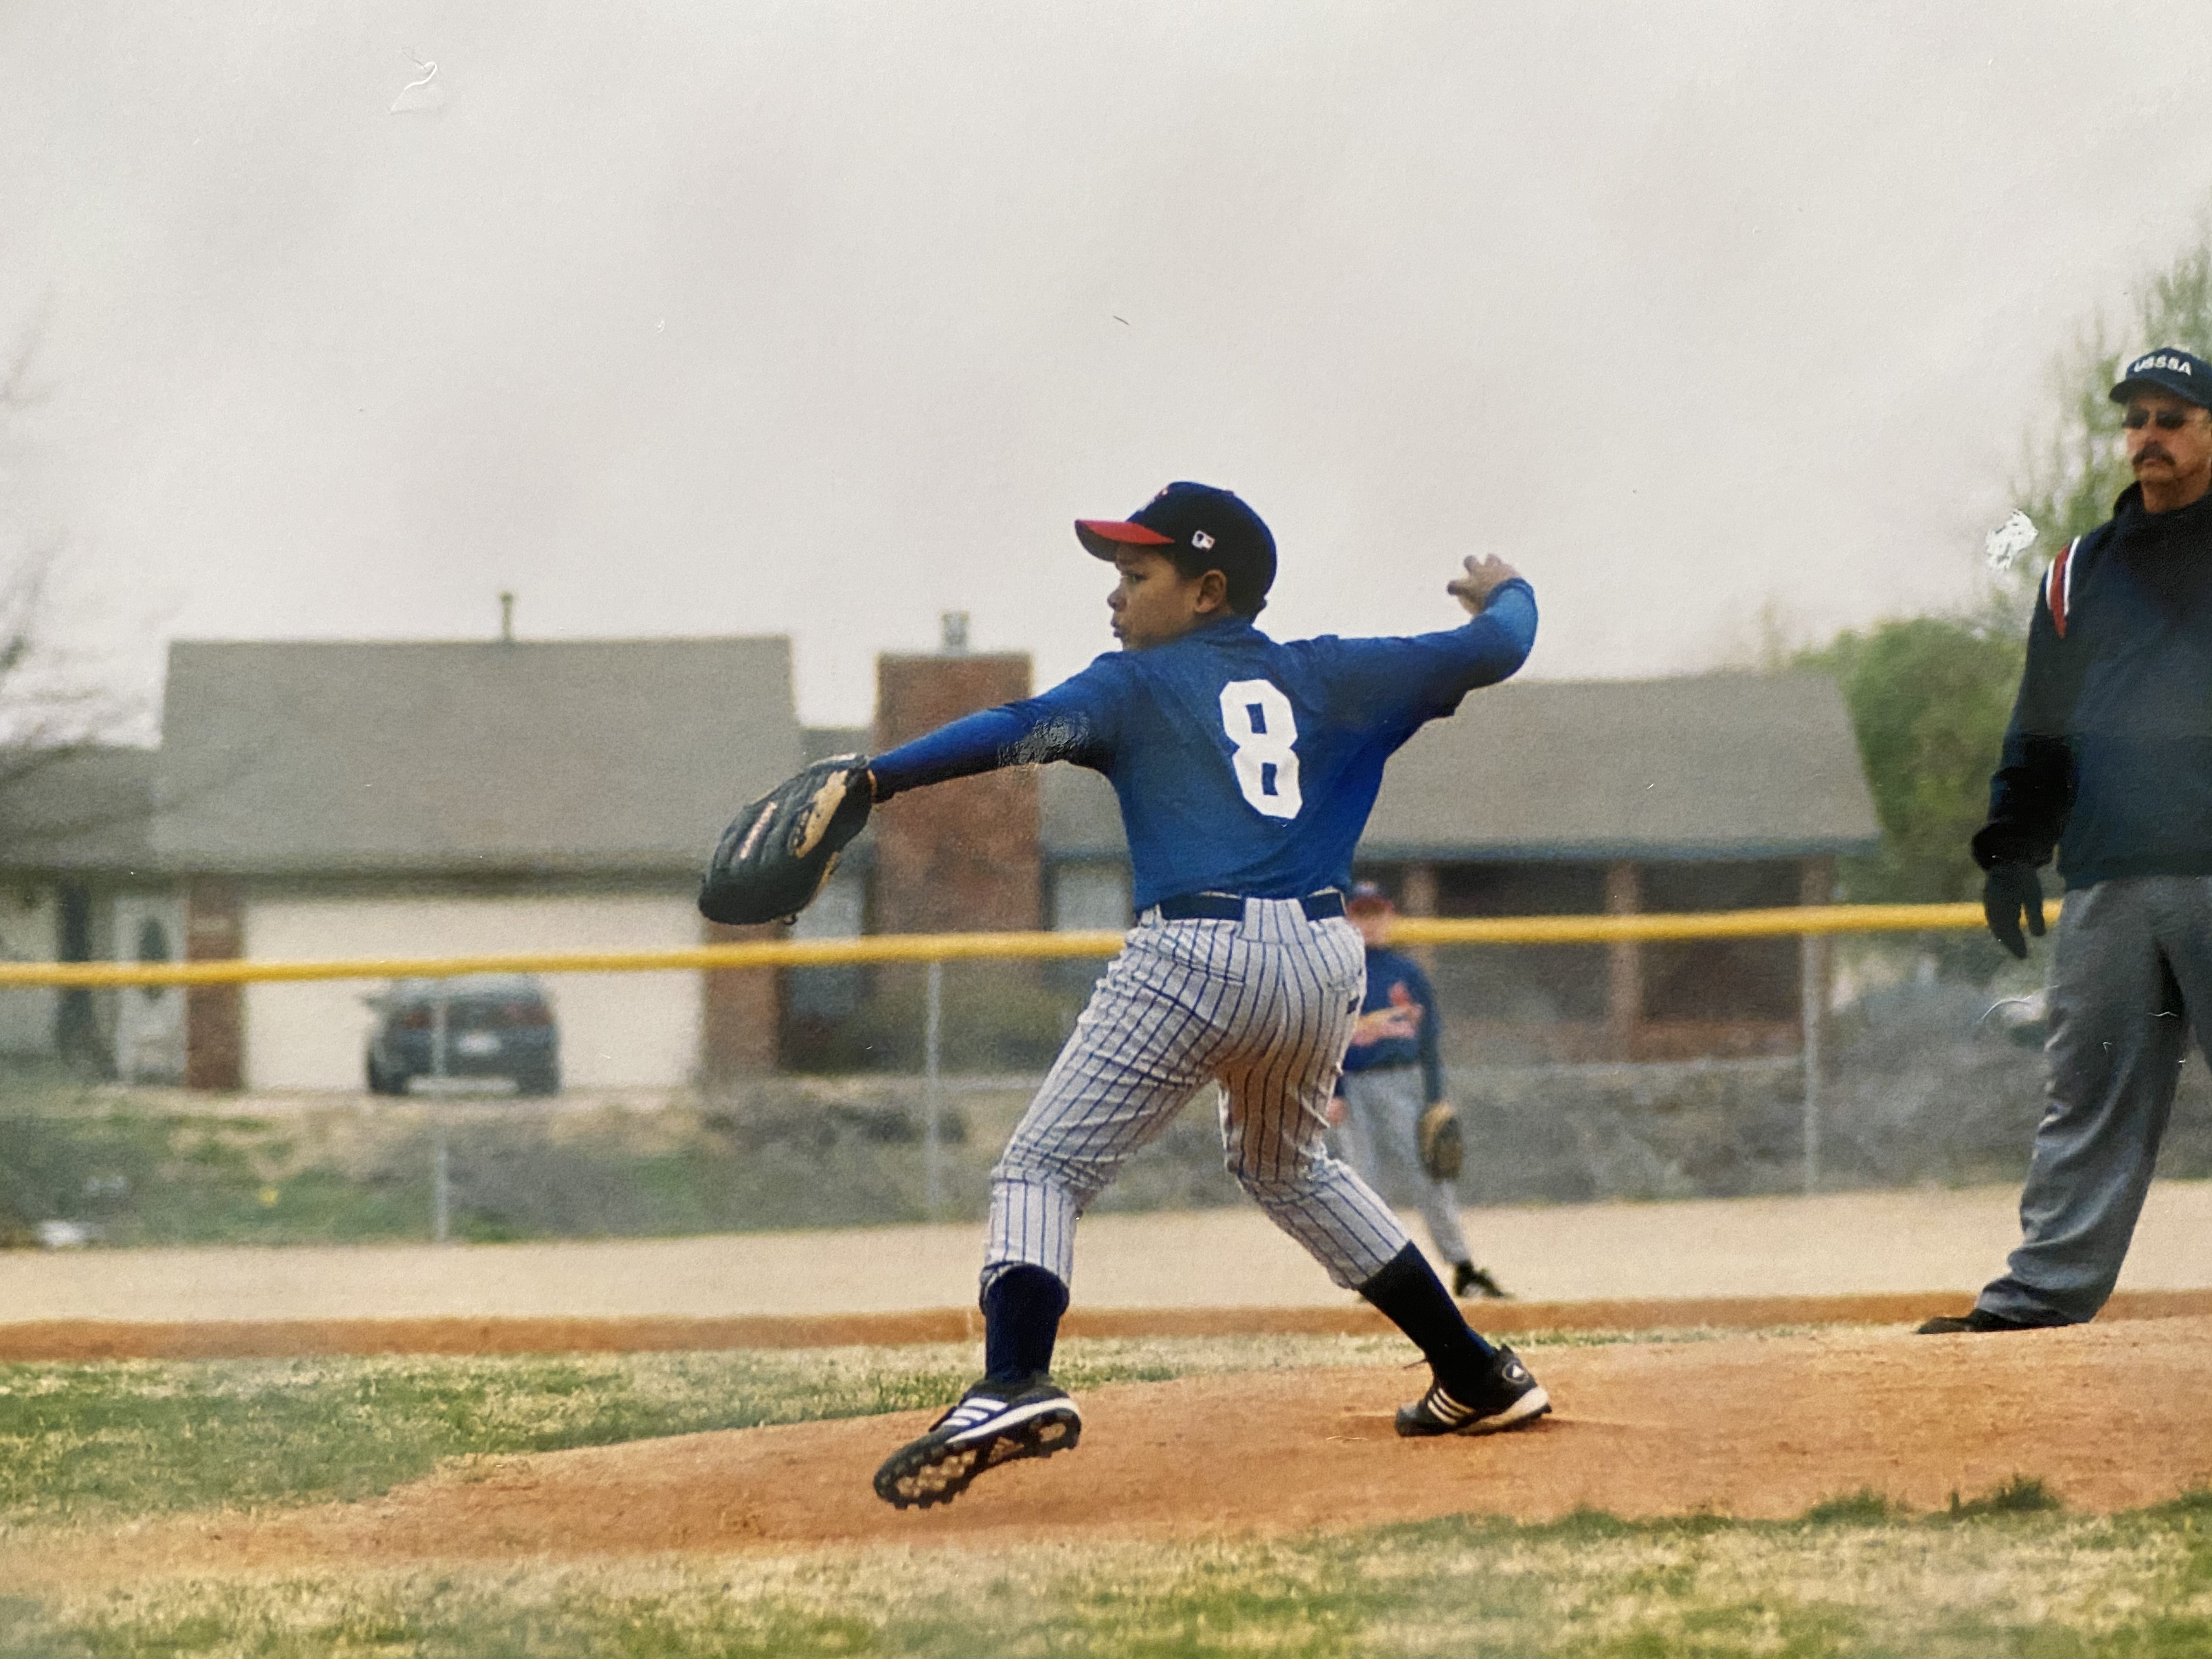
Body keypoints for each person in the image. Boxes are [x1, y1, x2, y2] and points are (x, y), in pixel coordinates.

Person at [860, 481, 1549, 1508]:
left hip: (1197, 950)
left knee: (1043, 1167)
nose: (1115, 597)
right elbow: (1499, 645)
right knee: (1286, 1163)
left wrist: (874, 779)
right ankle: (1474, 1369)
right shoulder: (1337, 674)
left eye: (1137, 576)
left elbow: (1018, 727)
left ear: (1207, 589)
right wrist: (1507, 588)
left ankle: (1012, 1376)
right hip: (1322, 956)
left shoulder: (1136, 686)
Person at [1921, 346, 2212, 1335]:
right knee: (2084, 1097)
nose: (2148, 438)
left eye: (2172, 418)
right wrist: (2010, 843)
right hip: (2109, 879)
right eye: (2136, 420)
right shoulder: (2077, 571)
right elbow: (2040, 721)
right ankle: (2038, 1298)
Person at [1330, 882, 1509, 1299]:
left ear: (1390, 916)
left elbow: (1429, 1040)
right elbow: (1327, 1039)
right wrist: (1333, 1091)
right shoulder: (1339, 972)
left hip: (1404, 1082)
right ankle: (1377, 1279)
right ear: (1348, 920)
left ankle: (1463, 1268)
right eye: (1361, 914)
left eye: (1377, 914)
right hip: (1354, 1086)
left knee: (1429, 1174)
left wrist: (1435, 1096)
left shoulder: (1407, 972)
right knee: (1363, 1185)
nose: (1370, 923)